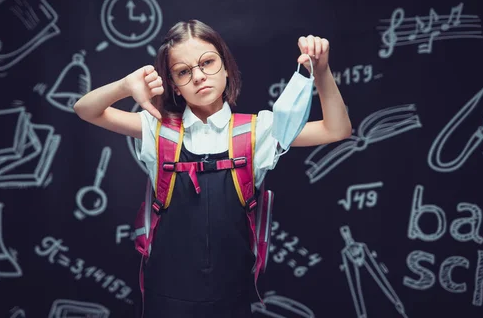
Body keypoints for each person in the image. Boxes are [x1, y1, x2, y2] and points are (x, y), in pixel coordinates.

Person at [73, 19, 352, 317]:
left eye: (207, 62)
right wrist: (125, 86)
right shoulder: (158, 129)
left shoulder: (260, 130)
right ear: (174, 86)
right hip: (166, 299)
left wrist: (321, 71)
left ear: (227, 67)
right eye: (183, 72)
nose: (198, 77)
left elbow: (337, 130)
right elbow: (85, 108)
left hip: (231, 297)